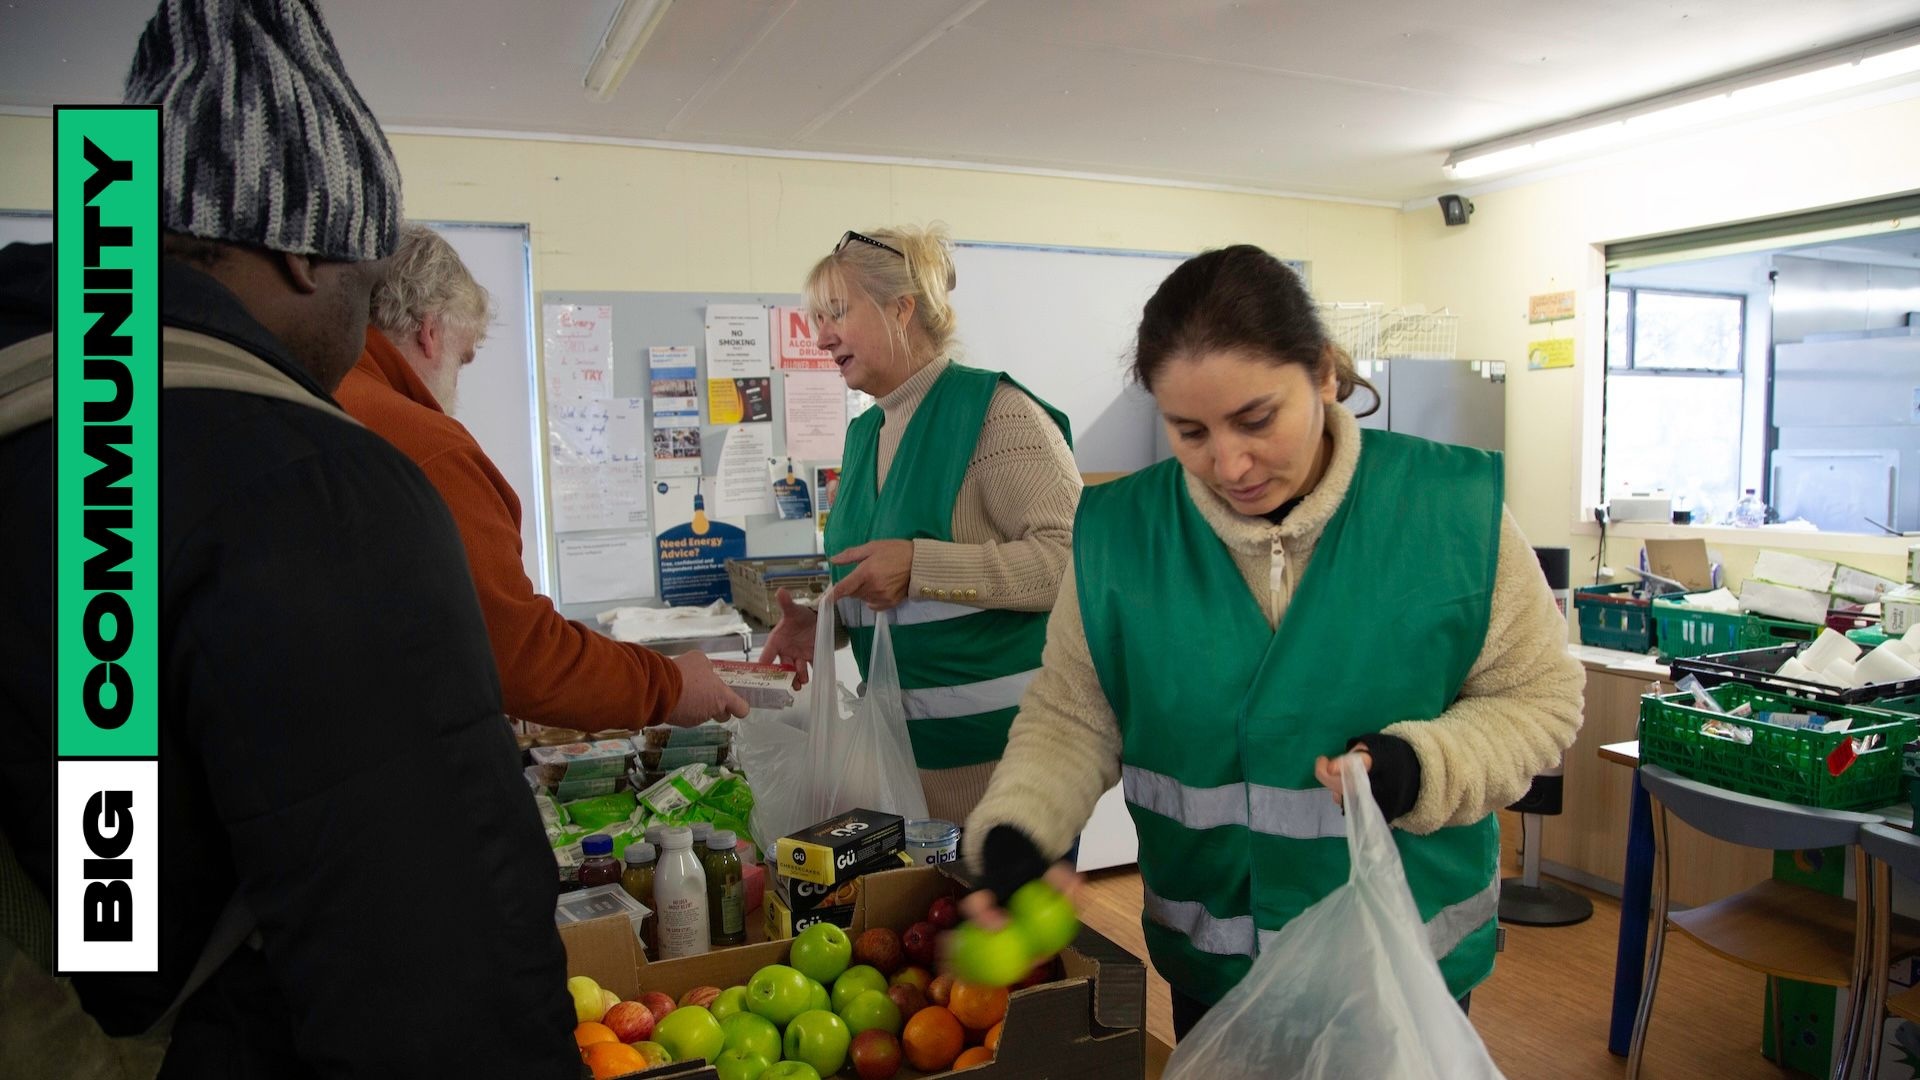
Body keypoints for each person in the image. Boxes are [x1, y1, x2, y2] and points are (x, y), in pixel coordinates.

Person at [0, 1, 576, 1075]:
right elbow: (432, 965)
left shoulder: (60, 420)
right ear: (309, 255)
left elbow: (107, 872)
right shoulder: (310, 485)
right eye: (366, 278)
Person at [962, 244, 1585, 1039]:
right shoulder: (1120, 534)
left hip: (1403, 971)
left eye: (1257, 419)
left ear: (1324, 374)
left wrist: (1422, 767)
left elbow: (1540, 696)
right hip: (1215, 971)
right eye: (1188, 431)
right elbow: (1074, 715)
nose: (1229, 463)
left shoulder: (1452, 511)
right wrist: (1022, 825)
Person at [335, 224, 749, 730]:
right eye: (463, 360)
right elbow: (525, 657)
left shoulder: (319, 397)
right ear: (430, 330)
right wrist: (670, 684)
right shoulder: (424, 446)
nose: (453, 391)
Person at [759, 225, 1083, 824]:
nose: (821, 337)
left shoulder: (998, 414)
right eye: (816, 318)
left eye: (836, 313)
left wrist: (920, 565)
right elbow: (886, 581)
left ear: (900, 309)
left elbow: (1073, 561)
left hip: (1008, 771)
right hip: (902, 766)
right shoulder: (866, 434)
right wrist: (827, 624)